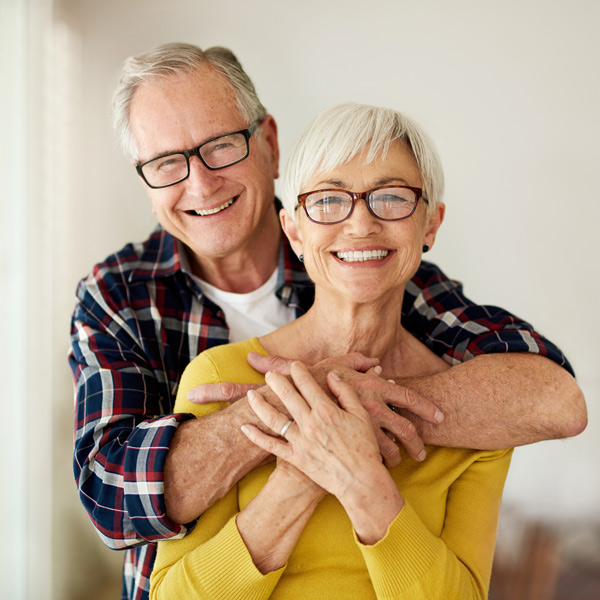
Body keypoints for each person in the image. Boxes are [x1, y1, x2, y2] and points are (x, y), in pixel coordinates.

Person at [69, 43, 585, 600]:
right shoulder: (121, 296)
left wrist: (346, 412)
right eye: (167, 163)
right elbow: (112, 497)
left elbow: (551, 395)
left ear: (267, 143)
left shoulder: (370, 264)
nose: (201, 184)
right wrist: (299, 419)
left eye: (220, 145)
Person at [150, 102, 518, 598]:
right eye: (328, 200)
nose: (361, 225)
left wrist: (360, 478)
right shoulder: (218, 376)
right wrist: (303, 473)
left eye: (390, 197)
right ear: (295, 231)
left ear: (430, 224)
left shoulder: (482, 415)